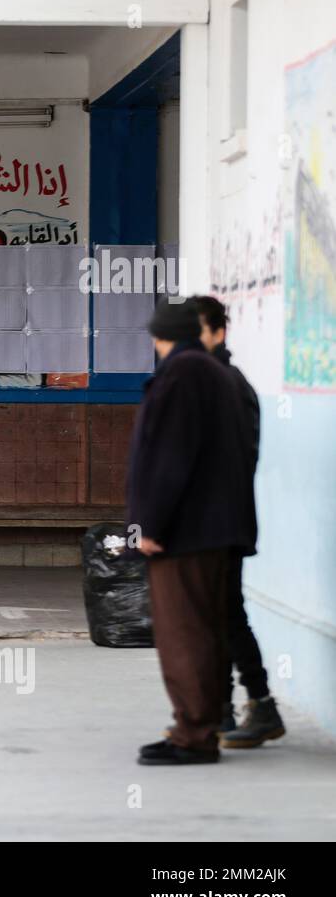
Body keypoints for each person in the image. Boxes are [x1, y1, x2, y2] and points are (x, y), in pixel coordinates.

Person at [126, 299, 257, 765]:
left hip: (186, 532)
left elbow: (169, 459)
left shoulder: (182, 375)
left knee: (184, 633)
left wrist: (150, 525)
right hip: (212, 528)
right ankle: (200, 724)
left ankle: (193, 734)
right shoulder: (213, 373)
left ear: (161, 337)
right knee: (203, 629)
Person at [189, 295, 285, 748]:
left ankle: (261, 705)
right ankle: (224, 709)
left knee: (227, 614)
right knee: (215, 615)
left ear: (218, 334)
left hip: (222, 523)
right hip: (211, 522)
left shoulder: (227, 384)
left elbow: (237, 458)